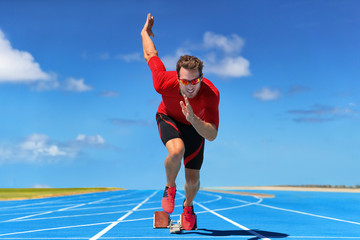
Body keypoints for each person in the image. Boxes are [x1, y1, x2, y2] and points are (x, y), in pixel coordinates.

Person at [141, 13, 220, 230]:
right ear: (177, 79)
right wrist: (144, 32)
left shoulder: (211, 94)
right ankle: (169, 187)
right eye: (185, 81)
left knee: (193, 180)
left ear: (201, 78)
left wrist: (194, 119)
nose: (190, 86)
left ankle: (188, 206)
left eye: (195, 81)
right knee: (176, 150)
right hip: (168, 117)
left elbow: (212, 135)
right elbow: (150, 54)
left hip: (195, 125)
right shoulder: (163, 82)